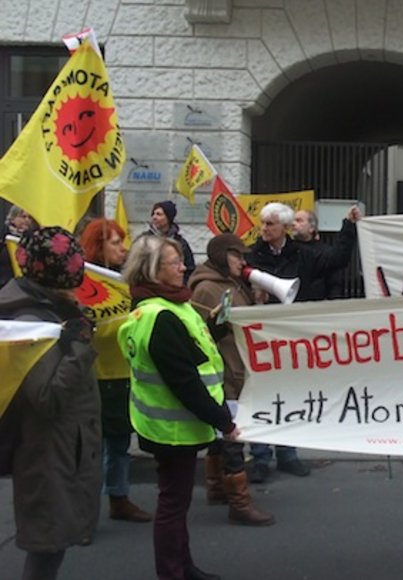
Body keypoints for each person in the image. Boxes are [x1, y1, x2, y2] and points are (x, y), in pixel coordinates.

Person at [118, 235, 239, 580]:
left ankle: (184, 567)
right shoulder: (161, 317)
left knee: (178, 501)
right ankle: (172, 572)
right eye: (175, 262)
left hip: (171, 426)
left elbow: (192, 352)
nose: (183, 265)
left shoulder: (170, 306)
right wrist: (224, 422)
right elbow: (184, 382)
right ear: (154, 270)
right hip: (172, 429)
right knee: (173, 505)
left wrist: (216, 326)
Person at [0, 227, 100, 580]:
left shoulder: (52, 309)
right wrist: (80, 348)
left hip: (62, 450)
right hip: (47, 455)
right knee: (46, 551)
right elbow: (47, 398)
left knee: (52, 550)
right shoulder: (31, 323)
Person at [244, 202, 361, 481]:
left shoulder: (303, 255)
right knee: (261, 394)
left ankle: (287, 454)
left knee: (288, 394)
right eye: (262, 224)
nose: (264, 229)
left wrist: (348, 226)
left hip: (290, 335)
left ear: (284, 228)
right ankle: (260, 457)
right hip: (262, 334)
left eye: (270, 224)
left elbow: (338, 259)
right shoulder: (252, 255)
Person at [188, 233, 275, 526]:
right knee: (232, 436)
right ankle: (239, 503)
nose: (243, 260)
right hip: (224, 372)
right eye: (237, 255)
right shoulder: (209, 289)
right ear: (223, 256)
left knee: (220, 435)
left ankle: (216, 488)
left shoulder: (227, 284)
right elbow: (206, 334)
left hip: (232, 368)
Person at [79, 219, 153, 528]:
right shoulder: (80, 284)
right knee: (90, 452)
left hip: (124, 375)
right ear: (99, 247)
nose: (123, 248)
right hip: (93, 377)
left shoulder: (127, 283)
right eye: (115, 243)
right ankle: (84, 515)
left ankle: (119, 499)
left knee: (120, 444)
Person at [291, 208, 359, 299]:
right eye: (293, 221)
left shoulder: (322, 252)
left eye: (299, 221)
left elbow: (338, 258)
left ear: (311, 228)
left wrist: (349, 224)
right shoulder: (287, 249)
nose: (293, 224)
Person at [143, 201, 195, 283]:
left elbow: (189, 269)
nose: (154, 217)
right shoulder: (144, 240)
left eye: (159, 214)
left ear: (168, 218)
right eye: (153, 214)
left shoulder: (181, 243)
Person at [0, 205, 37, 287]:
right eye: (23, 216)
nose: (27, 220)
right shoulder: (3, 234)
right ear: (13, 218)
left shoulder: (36, 238)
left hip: (25, 286)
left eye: (30, 217)